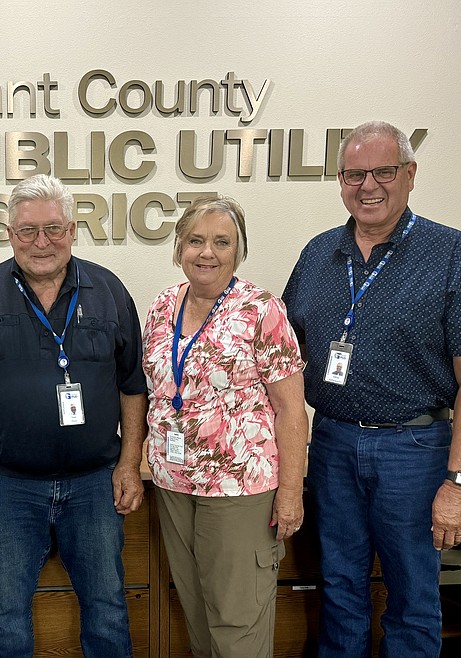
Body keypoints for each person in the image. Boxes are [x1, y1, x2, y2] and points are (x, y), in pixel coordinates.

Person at [282, 121, 461, 657]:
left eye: (383, 171)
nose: (369, 186)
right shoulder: (317, 255)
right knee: (339, 585)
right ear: (340, 181)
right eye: (355, 174)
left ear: (410, 175)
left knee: (411, 595)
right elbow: (284, 356)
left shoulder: (453, 254)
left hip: (416, 451)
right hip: (331, 443)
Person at [0, 174, 147, 658]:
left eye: (53, 229)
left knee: (108, 607)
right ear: (9, 234)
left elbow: (133, 387)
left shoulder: (109, 291)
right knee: (6, 612)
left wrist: (129, 464)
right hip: (6, 485)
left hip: (94, 482)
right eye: (27, 230)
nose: (41, 242)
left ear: (73, 230)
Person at [143, 196, 308, 657]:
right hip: (174, 483)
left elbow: (292, 410)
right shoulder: (161, 308)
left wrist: (291, 493)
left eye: (222, 242)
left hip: (239, 489)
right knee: (196, 611)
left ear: (239, 251)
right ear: (179, 248)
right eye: (196, 240)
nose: (207, 252)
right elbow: (156, 390)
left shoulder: (261, 310)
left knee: (237, 620)